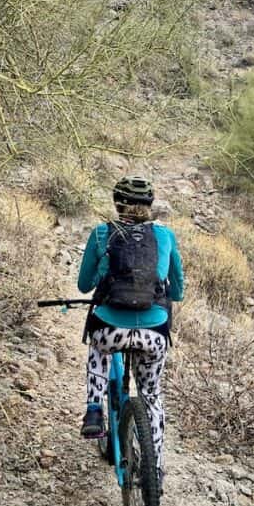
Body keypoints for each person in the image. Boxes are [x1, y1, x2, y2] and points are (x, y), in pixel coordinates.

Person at [77, 175, 184, 482]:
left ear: (117, 203)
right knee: (151, 394)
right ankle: (156, 469)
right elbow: (177, 291)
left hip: (111, 329)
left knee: (98, 347)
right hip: (153, 333)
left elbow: (84, 285)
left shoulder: (102, 233)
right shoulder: (165, 236)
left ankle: (94, 409)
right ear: (149, 205)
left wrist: (104, 269)